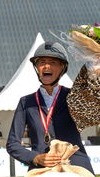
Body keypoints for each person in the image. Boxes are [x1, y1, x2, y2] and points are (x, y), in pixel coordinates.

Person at [6, 42, 94, 174]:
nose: (46, 66)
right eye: (42, 62)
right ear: (36, 67)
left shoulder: (75, 96)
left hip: (75, 164)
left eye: (52, 62)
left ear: (62, 67)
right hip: (41, 167)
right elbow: (12, 144)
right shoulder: (26, 102)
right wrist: (35, 157)